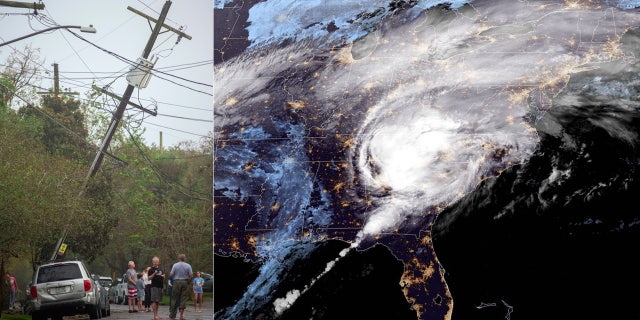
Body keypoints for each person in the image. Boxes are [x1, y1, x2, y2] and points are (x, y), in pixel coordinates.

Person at [169, 253, 193, 320]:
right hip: (185, 282)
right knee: (183, 299)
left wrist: (174, 277)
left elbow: (171, 274)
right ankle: (181, 316)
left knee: (174, 299)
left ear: (179, 258)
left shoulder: (175, 265)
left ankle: (172, 316)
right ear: (184, 258)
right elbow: (191, 276)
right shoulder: (188, 265)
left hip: (176, 282)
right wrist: (188, 281)